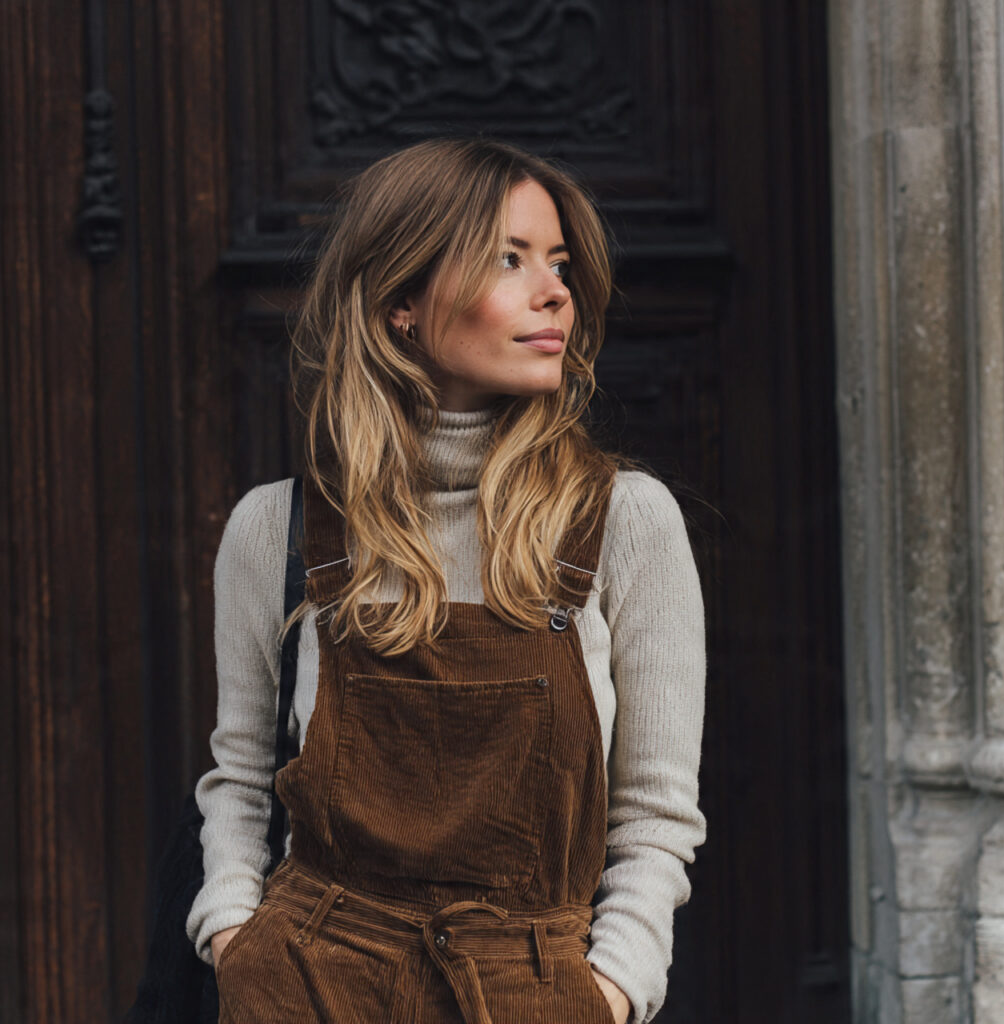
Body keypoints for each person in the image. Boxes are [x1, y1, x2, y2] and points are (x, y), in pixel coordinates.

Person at [186, 138, 706, 1024]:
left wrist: (611, 989)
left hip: (533, 993)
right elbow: (240, 776)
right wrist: (235, 937)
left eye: (559, 264)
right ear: (400, 301)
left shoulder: (626, 521)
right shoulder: (277, 530)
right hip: (307, 985)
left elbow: (656, 811)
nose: (555, 293)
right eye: (510, 259)